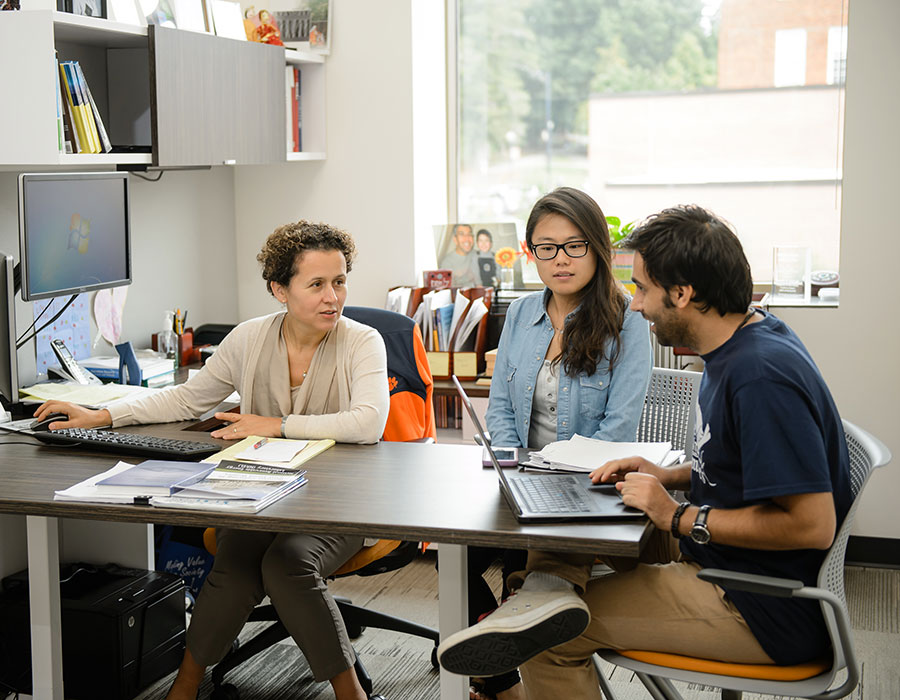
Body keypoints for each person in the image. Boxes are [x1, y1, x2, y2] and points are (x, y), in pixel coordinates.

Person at [437, 205, 852, 700]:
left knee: (547, 640)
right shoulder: (741, 341)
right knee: (576, 509)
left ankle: (532, 607)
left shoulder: (760, 377)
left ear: (682, 294)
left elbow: (812, 525)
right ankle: (538, 594)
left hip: (755, 602)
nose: (634, 306)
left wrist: (677, 517)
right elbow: (734, 467)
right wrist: (667, 474)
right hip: (722, 555)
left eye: (642, 289)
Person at [33, 221, 390, 700]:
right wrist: (99, 414)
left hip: (336, 502)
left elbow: (368, 423)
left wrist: (274, 424)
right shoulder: (249, 338)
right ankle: (185, 686)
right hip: (259, 496)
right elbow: (185, 401)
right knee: (236, 561)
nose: (334, 297)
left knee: (289, 564)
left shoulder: (362, 341)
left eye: (340, 281)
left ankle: (352, 695)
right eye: (317, 284)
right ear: (279, 289)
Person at [461, 187, 652, 700]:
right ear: (531, 253)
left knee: (536, 552)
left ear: (597, 248)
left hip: (588, 483)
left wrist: (548, 477)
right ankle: (501, 681)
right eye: (546, 247)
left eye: (574, 246)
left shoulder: (630, 320)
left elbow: (618, 429)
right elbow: (500, 405)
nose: (560, 260)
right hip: (519, 477)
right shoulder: (522, 313)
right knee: (457, 556)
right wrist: (511, 466)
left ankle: (533, 607)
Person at [439, 223, 480, 287]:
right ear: (455, 239)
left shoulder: (477, 255)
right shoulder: (447, 263)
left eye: (469, 234)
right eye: (462, 234)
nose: (467, 239)